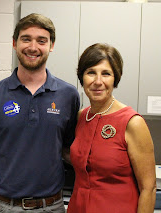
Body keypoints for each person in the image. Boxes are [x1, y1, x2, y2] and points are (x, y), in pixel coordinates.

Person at [0, 13, 80, 212]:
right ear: (14, 43)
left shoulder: (69, 95)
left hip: (51, 207)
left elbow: (71, 151)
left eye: (41, 41)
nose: (33, 47)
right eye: (26, 39)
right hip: (2, 206)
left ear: (51, 45)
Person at [67, 43, 156, 213]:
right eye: (91, 72)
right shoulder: (81, 117)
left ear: (115, 78)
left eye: (106, 74)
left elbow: (148, 189)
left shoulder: (132, 122)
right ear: (82, 77)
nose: (98, 81)